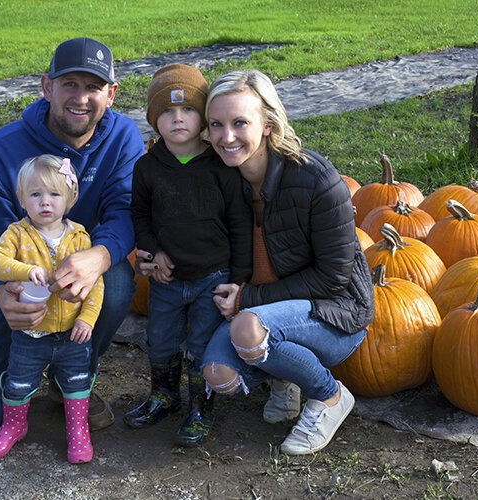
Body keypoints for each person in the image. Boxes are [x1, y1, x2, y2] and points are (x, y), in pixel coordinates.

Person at [0, 37, 144, 437]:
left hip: (75, 279)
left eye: (92, 87)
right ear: (46, 87)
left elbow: (124, 209)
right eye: (69, 84)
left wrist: (99, 256)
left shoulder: (123, 138)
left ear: (111, 94)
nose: (81, 97)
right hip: (9, 282)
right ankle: (19, 358)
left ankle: (71, 377)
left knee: (118, 280)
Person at [199, 70, 374, 455]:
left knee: (247, 328)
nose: (226, 137)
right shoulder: (226, 180)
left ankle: (329, 396)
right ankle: (284, 378)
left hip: (334, 314)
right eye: (216, 124)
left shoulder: (316, 178)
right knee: (219, 375)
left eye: (240, 123)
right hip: (261, 309)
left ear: (268, 124)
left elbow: (334, 276)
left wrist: (247, 299)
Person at [126, 64, 252, 446]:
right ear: (153, 121)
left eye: (188, 110)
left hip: (213, 278)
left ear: (204, 117)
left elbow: (241, 223)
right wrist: (152, 251)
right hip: (167, 278)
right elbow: (140, 216)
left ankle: (201, 405)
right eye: (166, 112)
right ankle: (163, 395)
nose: (177, 119)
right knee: (160, 339)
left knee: (201, 345)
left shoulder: (222, 169)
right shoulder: (147, 168)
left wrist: (239, 276)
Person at [0, 154, 103, 463]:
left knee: (76, 382)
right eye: (35, 194)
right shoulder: (17, 235)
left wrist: (88, 319)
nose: (45, 202)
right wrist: (23, 271)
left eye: (54, 194)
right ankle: (15, 425)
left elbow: (95, 285)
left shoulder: (79, 237)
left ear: (70, 199)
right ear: (23, 200)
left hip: (71, 334)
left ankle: (77, 431)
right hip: (30, 333)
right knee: (19, 382)